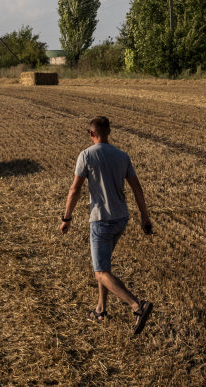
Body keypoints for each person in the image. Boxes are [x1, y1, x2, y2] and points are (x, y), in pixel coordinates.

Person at [60, 115, 154, 334]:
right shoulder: (122, 156)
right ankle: (100, 310)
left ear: (91, 134)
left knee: (100, 271)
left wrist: (66, 218)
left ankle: (137, 306)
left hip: (101, 220)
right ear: (109, 132)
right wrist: (144, 217)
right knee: (103, 266)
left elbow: (75, 190)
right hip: (121, 218)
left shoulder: (86, 155)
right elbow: (137, 189)